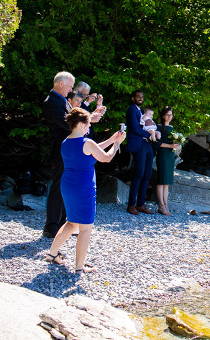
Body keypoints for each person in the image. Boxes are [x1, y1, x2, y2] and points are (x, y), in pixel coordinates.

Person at [44, 107, 126, 273]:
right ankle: (80, 267)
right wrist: (117, 144)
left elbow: (92, 149)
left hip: (68, 186)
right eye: (88, 124)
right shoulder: (86, 143)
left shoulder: (66, 141)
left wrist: (111, 139)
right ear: (81, 124)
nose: (89, 127)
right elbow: (105, 157)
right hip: (83, 188)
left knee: (72, 222)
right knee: (86, 228)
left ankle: (52, 254)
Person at [42, 71, 74, 238]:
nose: (71, 90)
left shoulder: (61, 100)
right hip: (60, 150)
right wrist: (87, 119)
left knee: (64, 188)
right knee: (58, 188)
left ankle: (61, 222)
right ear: (61, 83)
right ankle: (51, 226)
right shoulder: (53, 101)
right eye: (69, 86)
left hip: (66, 150)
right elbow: (66, 124)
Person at [125, 90, 155, 215]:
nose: (140, 98)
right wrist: (148, 134)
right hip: (139, 145)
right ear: (133, 98)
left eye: (142, 97)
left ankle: (141, 204)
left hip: (147, 145)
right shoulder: (132, 110)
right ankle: (131, 205)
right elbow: (135, 127)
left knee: (147, 174)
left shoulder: (141, 111)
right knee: (139, 174)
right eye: (138, 97)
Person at [154, 106, 181, 216]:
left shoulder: (171, 127)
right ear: (163, 116)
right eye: (167, 115)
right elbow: (157, 143)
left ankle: (166, 204)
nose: (169, 117)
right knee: (161, 180)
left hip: (170, 155)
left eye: (171, 115)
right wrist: (170, 145)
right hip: (163, 155)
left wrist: (176, 146)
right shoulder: (159, 127)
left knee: (167, 182)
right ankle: (161, 205)